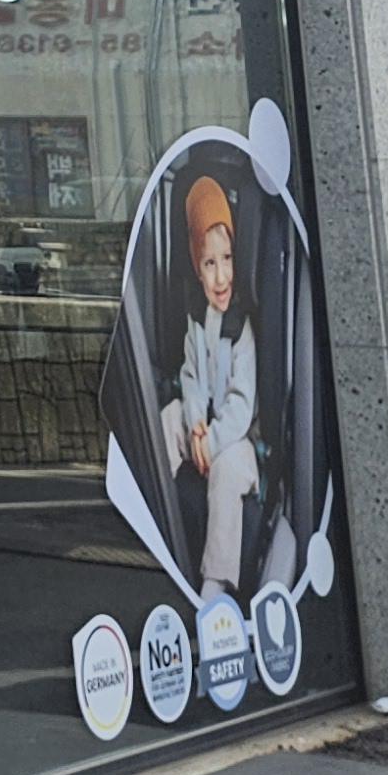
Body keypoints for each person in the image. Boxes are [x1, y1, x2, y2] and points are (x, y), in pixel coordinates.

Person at [158, 170, 259, 604]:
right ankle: (160, 515)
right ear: (197, 271)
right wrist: (196, 423)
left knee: (227, 469)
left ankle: (216, 580)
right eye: (209, 263)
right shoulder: (196, 322)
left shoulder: (242, 330)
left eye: (227, 259)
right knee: (168, 418)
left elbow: (241, 405)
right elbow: (191, 378)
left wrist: (212, 442)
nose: (221, 277)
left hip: (238, 440)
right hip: (207, 431)